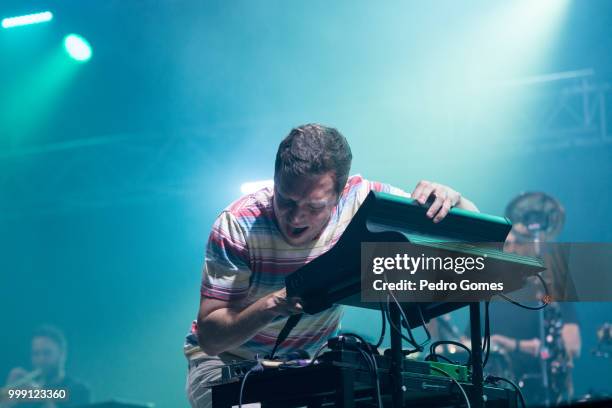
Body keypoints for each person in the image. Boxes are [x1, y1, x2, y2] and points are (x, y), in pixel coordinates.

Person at [184, 123, 479, 407]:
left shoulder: (362, 200)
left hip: (306, 363)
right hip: (225, 363)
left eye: (313, 207)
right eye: (286, 201)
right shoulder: (238, 223)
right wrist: (274, 304)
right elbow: (211, 340)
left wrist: (456, 199)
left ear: (340, 195)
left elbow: (481, 242)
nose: (296, 217)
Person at [1, 325, 91, 408]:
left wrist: (40, 396)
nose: (41, 360)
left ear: (62, 354)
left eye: (47, 353)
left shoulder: (78, 389)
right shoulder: (25, 393)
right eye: (36, 354)